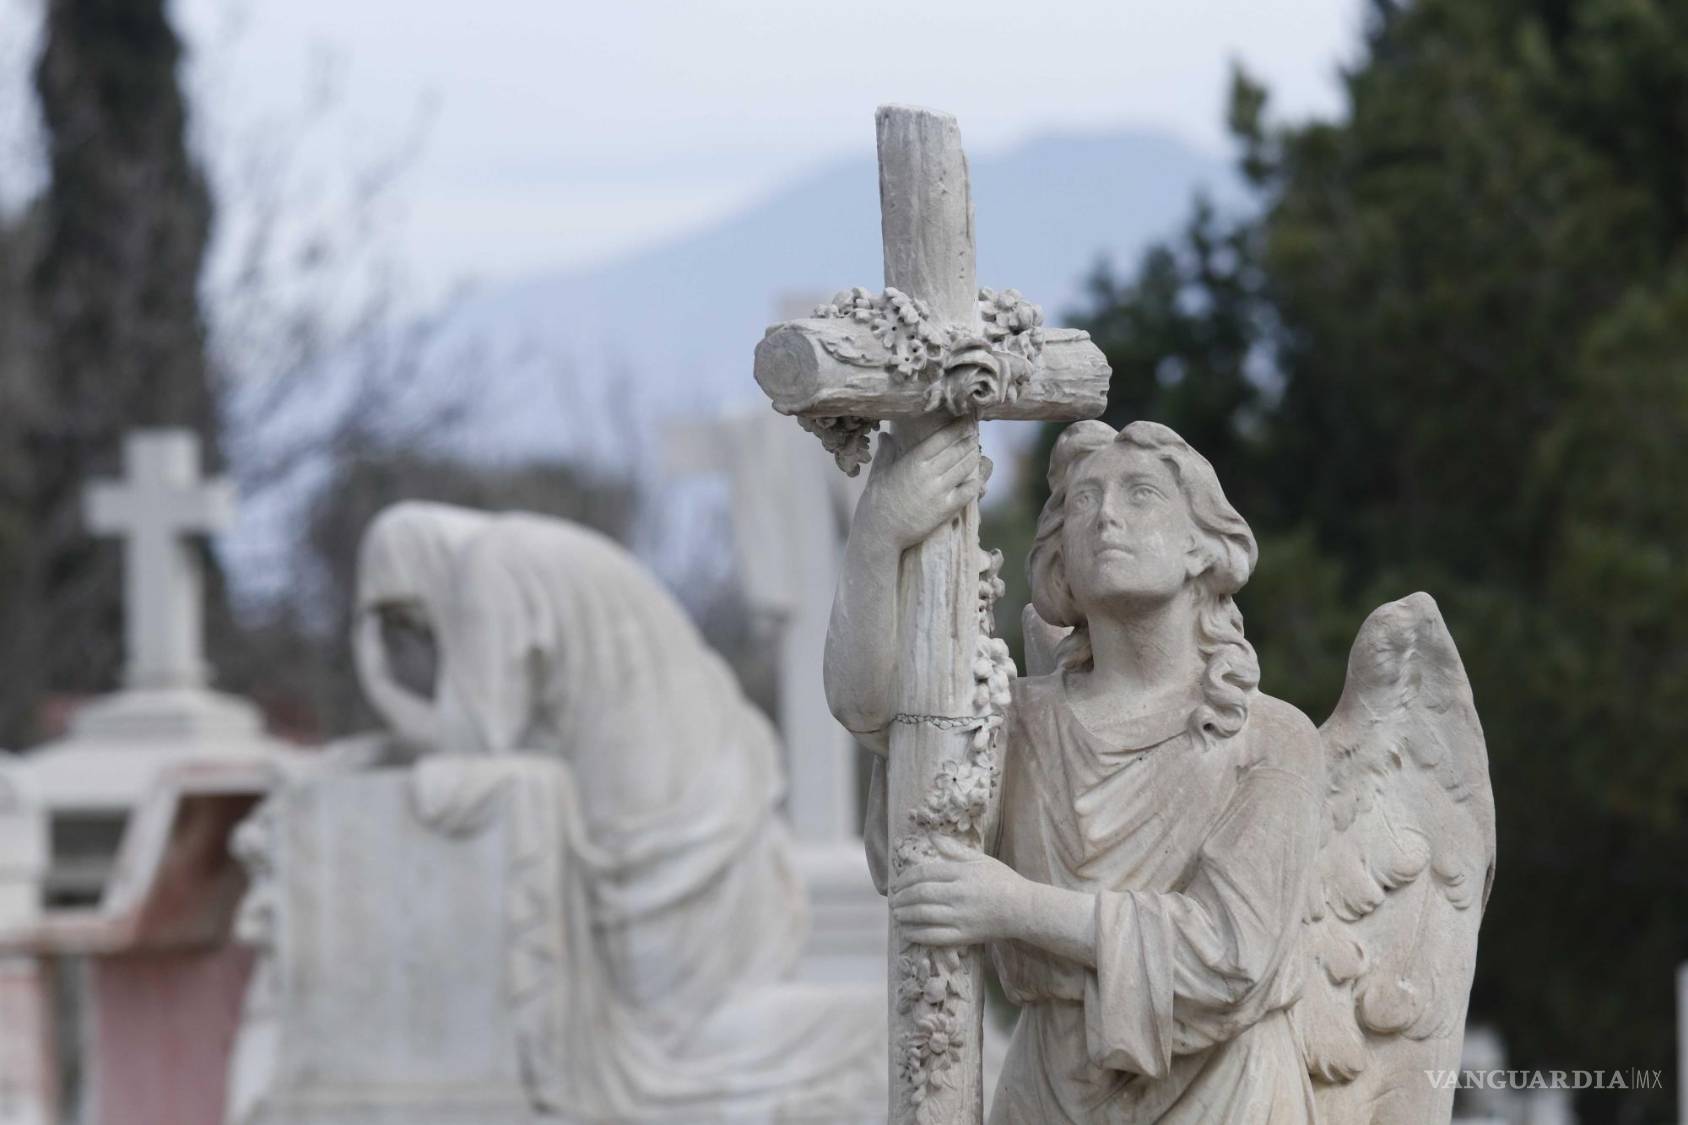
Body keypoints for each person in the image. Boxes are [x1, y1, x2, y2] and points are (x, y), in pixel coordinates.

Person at [829, 419, 1325, 1123]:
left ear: (1203, 546)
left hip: (1223, 1091)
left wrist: (1014, 905)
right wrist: (878, 542)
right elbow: (877, 720)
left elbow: (1230, 956)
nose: (1106, 515)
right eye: (1083, 500)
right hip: (1048, 1091)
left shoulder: (1271, 739)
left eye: (1141, 493)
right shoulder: (1013, 719)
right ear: (1061, 556)